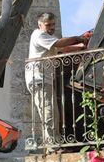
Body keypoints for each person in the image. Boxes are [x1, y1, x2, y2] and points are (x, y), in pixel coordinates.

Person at [25, 12, 91, 152]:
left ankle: (54, 145)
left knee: (52, 112)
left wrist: (81, 47)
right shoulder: (39, 34)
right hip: (39, 79)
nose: (51, 28)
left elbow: (61, 49)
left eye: (53, 25)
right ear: (40, 25)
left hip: (44, 79)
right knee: (48, 112)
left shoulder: (48, 39)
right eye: (48, 25)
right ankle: (53, 148)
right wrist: (79, 38)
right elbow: (59, 43)